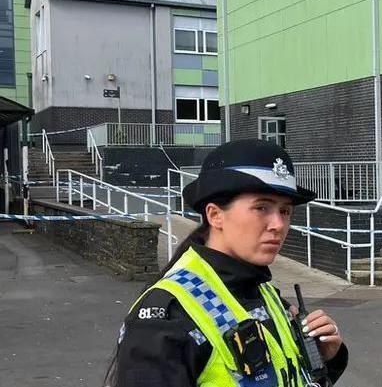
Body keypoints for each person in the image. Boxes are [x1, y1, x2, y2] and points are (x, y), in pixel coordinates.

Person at [105, 139, 348, 387]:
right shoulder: (167, 317)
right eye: (262, 207)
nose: (278, 224)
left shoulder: (264, 292)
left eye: (285, 211)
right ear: (215, 215)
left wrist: (326, 357)